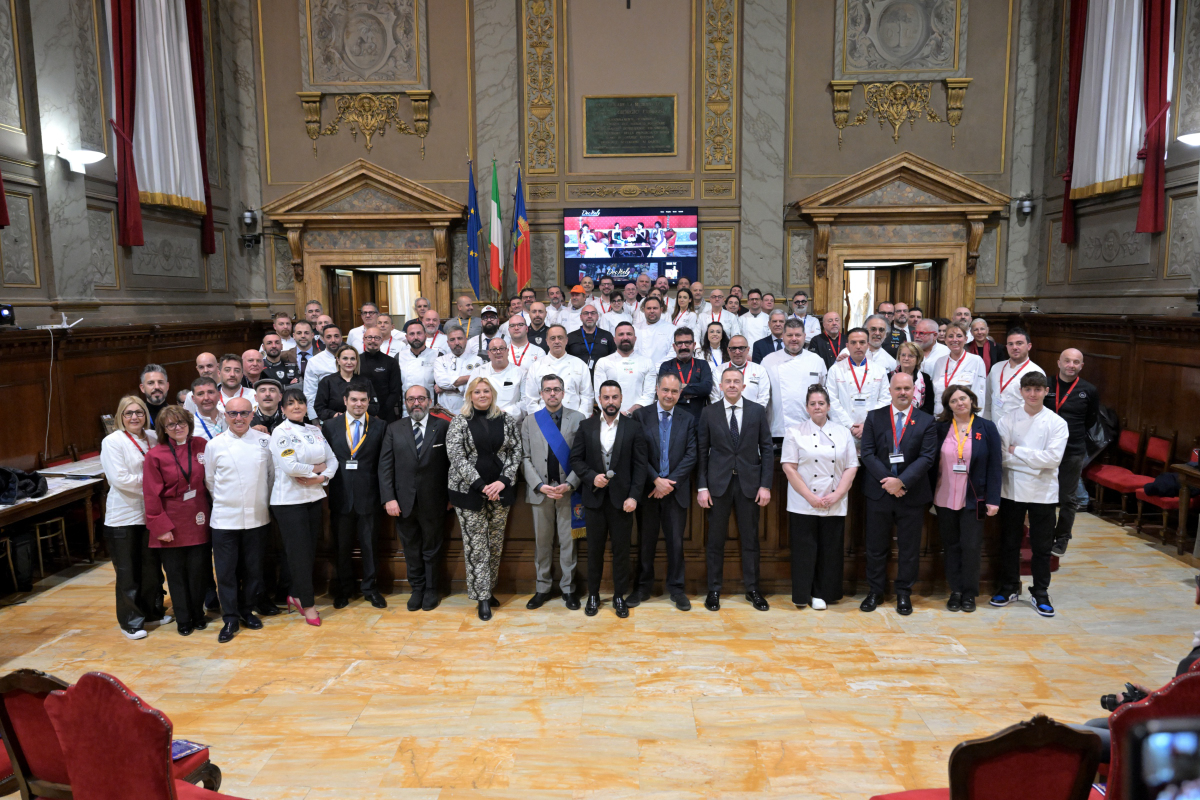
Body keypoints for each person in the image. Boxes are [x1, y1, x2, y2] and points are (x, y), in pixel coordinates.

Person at [858, 371, 938, 615]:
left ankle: (904, 593)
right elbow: (867, 453)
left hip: (911, 494)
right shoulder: (874, 417)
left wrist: (901, 482)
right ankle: (875, 591)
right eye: (898, 388)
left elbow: (927, 457)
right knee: (875, 546)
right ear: (890, 391)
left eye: (907, 388)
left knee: (909, 548)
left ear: (914, 390)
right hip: (879, 492)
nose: (903, 392)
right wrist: (889, 482)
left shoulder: (926, 421)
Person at [697, 366, 773, 611]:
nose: (731, 385)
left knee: (750, 539)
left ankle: (753, 590)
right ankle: (714, 590)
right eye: (727, 381)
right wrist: (702, 486)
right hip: (717, 485)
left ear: (743, 386)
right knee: (715, 540)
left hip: (749, 484)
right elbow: (702, 452)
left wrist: (765, 485)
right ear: (720, 386)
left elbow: (767, 449)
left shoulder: (757, 410)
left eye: (736, 381)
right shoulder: (709, 412)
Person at [447, 377, 523, 621]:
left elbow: (516, 452)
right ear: (470, 395)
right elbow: (456, 457)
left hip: (501, 491)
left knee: (494, 544)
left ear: (493, 394)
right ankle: (482, 598)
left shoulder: (506, 420)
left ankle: (488, 590)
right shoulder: (459, 421)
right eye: (477, 391)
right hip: (468, 492)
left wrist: (503, 481)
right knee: (477, 546)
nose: (482, 395)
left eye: (486, 391)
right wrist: (481, 486)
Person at [993, 372, 1069, 617]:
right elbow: (1001, 458)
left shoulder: (1057, 423)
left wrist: (1018, 451)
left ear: (1046, 391)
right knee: (1009, 542)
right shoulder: (1007, 419)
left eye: (1037, 389)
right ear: (1021, 391)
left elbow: (1053, 460)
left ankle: (1040, 592)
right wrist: (1034, 461)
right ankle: (1009, 587)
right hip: (1012, 489)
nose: (1032, 394)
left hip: (1043, 492)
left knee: (1042, 546)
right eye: (1028, 389)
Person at [569, 381, 647, 617]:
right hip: (593, 500)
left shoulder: (634, 427)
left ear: (621, 399)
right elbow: (576, 460)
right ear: (599, 400)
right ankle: (593, 595)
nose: (610, 402)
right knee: (594, 551)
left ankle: (619, 596)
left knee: (621, 552)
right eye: (606, 397)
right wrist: (591, 477)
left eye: (615, 397)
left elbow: (640, 466)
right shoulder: (586, 426)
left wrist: (634, 496)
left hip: (623, 502)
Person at [781, 385, 858, 610]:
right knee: (804, 551)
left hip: (834, 501)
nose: (817, 407)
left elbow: (852, 466)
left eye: (821, 403)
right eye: (813, 404)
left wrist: (837, 494)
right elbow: (789, 467)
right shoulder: (794, 431)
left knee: (830, 550)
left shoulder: (843, 432)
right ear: (806, 407)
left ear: (829, 406)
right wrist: (810, 497)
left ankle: (823, 594)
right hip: (802, 501)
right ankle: (802, 594)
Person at [203, 397, 273, 643]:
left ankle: (247, 610)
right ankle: (230, 617)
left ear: (252, 414)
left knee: (253, 570)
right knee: (226, 572)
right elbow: (210, 480)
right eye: (233, 413)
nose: (239, 418)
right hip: (225, 519)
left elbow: (271, 477)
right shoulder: (214, 445)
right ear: (225, 416)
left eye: (244, 413)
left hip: (257, 516)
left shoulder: (265, 441)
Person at [101, 395, 169, 639]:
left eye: (139, 412)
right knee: (128, 572)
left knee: (151, 569)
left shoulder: (152, 437)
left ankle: (151, 612)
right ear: (121, 416)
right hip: (124, 517)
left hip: (151, 514)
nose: (134, 417)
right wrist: (156, 483)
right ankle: (130, 621)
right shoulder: (113, 441)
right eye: (128, 413)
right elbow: (119, 480)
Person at [269, 388, 337, 627]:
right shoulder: (280, 432)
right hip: (288, 501)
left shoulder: (314, 430)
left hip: (314, 496)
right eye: (290, 403)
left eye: (300, 402)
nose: (296, 407)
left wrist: (322, 477)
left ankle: (296, 595)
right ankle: (308, 605)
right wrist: (316, 468)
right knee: (298, 554)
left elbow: (332, 460)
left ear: (306, 406)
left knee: (308, 552)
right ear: (283, 409)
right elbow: (290, 467)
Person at [380, 385, 452, 611]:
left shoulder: (443, 427)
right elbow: (385, 467)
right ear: (406, 403)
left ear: (429, 401)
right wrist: (389, 498)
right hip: (403, 502)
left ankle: (431, 590)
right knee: (411, 549)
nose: (416, 403)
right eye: (411, 399)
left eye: (421, 398)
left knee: (432, 548)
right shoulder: (394, 428)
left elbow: (453, 465)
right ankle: (417, 589)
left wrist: (452, 496)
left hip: (435, 501)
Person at [932, 385, 1001, 613]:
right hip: (944, 497)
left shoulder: (986, 427)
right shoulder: (940, 428)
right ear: (948, 406)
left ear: (971, 400)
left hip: (974, 498)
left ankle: (969, 593)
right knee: (951, 546)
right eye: (953, 401)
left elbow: (995, 466)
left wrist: (993, 499)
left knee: (971, 547)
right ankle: (955, 591)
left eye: (963, 398)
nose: (959, 403)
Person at [631, 373, 698, 610]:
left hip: (675, 492)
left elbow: (691, 454)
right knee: (645, 542)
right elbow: (637, 453)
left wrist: (669, 483)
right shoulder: (641, 416)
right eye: (665, 390)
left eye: (674, 391)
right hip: (648, 491)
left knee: (676, 543)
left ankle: (677, 589)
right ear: (657, 390)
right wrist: (656, 480)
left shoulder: (688, 418)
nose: (669, 395)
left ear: (680, 393)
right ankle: (642, 587)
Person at [143, 405, 211, 636]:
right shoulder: (155, 455)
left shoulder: (201, 445)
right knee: (176, 574)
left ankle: (198, 614)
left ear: (189, 424)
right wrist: (160, 527)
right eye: (171, 424)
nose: (177, 427)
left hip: (199, 516)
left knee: (199, 571)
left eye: (181, 422)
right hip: (170, 519)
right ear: (163, 429)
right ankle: (183, 618)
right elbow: (150, 494)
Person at [321, 380, 387, 610]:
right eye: (354, 400)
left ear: (368, 402)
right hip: (340, 496)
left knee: (370, 546)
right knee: (342, 547)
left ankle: (370, 589)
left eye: (363, 400)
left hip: (370, 497)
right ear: (345, 401)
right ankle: (344, 589)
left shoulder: (380, 426)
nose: (359, 404)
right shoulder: (330, 426)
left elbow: (384, 464)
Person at [521, 374, 585, 611]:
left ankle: (568, 589)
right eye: (547, 390)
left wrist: (570, 483)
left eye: (556, 389)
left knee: (569, 543)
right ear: (541, 394)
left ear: (563, 392)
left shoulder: (578, 418)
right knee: (543, 543)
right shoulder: (530, 421)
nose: (552, 394)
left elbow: (584, 457)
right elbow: (524, 458)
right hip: (541, 492)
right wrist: (539, 485)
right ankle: (543, 588)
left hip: (568, 492)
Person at [1045, 348, 1099, 556]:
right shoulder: (1046, 384)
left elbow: (1091, 420)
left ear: (1081, 366)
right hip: (1046, 449)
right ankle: (1045, 534)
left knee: (1067, 497)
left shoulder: (1089, 390)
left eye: (1076, 362)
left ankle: (1062, 537)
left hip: (1073, 450)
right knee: (1045, 495)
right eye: (1067, 361)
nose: (1071, 365)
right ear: (1059, 363)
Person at [763, 319, 828, 442]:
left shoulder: (816, 360)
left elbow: (824, 393)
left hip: (811, 427)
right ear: (783, 336)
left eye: (798, 335)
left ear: (804, 336)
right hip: (779, 428)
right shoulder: (768, 361)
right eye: (789, 335)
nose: (794, 339)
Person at [826, 327, 890, 448]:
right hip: (843, 429)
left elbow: (885, 400)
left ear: (868, 345)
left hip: (872, 429)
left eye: (862, 342)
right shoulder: (835, 370)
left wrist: (867, 424)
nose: (858, 346)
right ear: (847, 346)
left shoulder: (879, 370)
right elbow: (831, 401)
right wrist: (850, 425)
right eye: (853, 342)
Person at [593, 321, 655, 414]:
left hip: (639, 416)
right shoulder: (603, 362)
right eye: (621, 334)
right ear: (614, 339)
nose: (625, 337)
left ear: (635, 338)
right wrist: (615, 414)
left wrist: (629, 412)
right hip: (610, 416)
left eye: (629, 334)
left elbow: (649, 395)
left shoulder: (647, 362)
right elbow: (600, 394)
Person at [985, 327, 1045, 422]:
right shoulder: (996, 368)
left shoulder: (1036, 372)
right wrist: (987, 422)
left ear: (1029, 346)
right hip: (994, 424)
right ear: (1006, 347)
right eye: (1010, 344)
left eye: (1019, 343)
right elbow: (987, 398)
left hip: (1021, 426)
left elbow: (1036, 406)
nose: (1014, 347)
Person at [930, 321, 987, 416]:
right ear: (945, 340)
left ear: (966, 339)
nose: (954, 340)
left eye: (959, 336)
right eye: (950, 336)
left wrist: (976, 419)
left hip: (964, 417)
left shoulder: (976, 361)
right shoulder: (939, 362)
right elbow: (935, 393)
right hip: (940, 416)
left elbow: (979, 394)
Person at [314, 344, 379, 421]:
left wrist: (358, 412)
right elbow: (319, 408)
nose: (349, 362)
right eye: (345, 358)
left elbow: (374, 407)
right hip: (336, 424)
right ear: (338, 360)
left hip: (361, 423)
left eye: (352, 359)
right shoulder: (327, 382)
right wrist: (336, 415)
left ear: (357, 361)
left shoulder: (365, 381)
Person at [660, 327, 712, 420]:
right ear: (674, 346)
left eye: (687, 343)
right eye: (679, 343)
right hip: (673, 417)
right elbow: (664, 391)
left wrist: (679, 387)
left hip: (698, 417)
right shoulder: (666, 366)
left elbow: (706, 388)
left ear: (694, 345)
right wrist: (694, 390)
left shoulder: (702, 364)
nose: (683, 347)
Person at [471, 336, 527, 421]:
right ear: (488, 353)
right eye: (494, 349)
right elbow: (468, 398)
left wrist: (503, 413)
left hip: (510, 419)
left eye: (501, 348)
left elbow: (525, 402)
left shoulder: (521, 373)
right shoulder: (478, 372)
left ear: (507, 351)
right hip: (482, 419)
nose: (498, 352)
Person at [434, 325, 484, 415]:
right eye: (452, 340)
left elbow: (473, 386)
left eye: (460, 338)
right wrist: (468, 378)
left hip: (468, 412)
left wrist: (445, 388)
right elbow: (441, 382)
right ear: (448, 342)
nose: (456, 342)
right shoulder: (440, 360)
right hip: (443, 412)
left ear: (466, 340)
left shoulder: (477, 360)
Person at [711, 335, 770, 408]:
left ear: (748, 350)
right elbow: (715, 398)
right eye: (733, 348)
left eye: (741, 348)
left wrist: (755, 413)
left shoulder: (759, 370)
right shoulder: (718, 371)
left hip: (752, 413)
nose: (737, 352)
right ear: (728, 350)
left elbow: (763, 398)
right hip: (724, 413)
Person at [359, 325, 403, 421]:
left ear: (382, 340)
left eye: (377, 338)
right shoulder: (356, 361)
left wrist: (380, 415)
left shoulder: (391, 362)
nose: (373, 340)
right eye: (369, 337)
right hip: (360, 413)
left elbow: (395, 392)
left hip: (385, 415)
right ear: (364, 339)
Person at [302, 324, 342, 417]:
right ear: (323, 339)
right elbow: (310, 394)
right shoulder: (314, 362)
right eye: (328, 337)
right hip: (325, 415)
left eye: (336, 336)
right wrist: (314, 419)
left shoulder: (351, 359)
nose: (333, 340)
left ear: (341, 338)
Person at [398, 319, 438, 406]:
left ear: (425, 335)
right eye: (412, 334)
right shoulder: (399, 357)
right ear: (406, 337)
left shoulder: (437, 356)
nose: (416, 337)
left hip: (430, 407)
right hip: (406, 408)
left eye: (419, 333)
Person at [566, 305, 615, 372]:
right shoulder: (571, 337)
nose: (589, 316)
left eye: (593, 313)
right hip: (577, 375)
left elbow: (613, 358)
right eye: (586, 313)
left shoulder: (607, 335)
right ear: (581, 317)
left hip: (601, 375)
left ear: (597, 316)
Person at [892, 341, 935, 415]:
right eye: (903, 355)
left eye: (911, 356)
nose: (906, 358)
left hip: (918, 418)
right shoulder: (889, 377)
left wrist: (913, 417)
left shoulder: (925, 378)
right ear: (899, 357)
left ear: (918, 359)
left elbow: (929, 406)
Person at [633, 297, 675, 366]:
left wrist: (657, 368)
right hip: (640, 368)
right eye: (648, 308)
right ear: (644, 310)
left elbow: (672, 353)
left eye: (655, 308)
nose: (652, 311)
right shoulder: (635, 329)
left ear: (661, 310)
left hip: (663, 369)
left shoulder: (672, 329)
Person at [189, 377, 226, 441]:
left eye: (211, 392)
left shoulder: (229, 418)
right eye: (200, 394)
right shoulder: (190, 427)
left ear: (219, 395)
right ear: (193, 399)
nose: (206, 398)